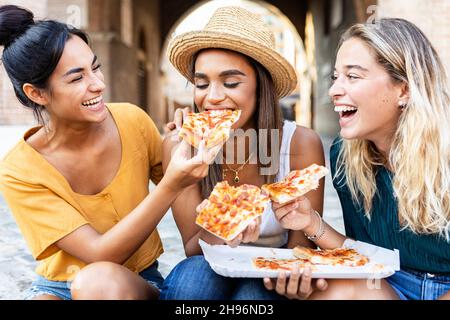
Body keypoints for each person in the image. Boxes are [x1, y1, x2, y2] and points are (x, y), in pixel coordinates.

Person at [0, 5, 221, 300]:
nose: (98, 84)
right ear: (36, 93)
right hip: (56, 286)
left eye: (96, 67)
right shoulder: (19, 169)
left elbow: (193, 212)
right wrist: (170, 185)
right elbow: (97, 252)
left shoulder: (132, 121)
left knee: (98, 283)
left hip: (130, 283)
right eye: (77, 78)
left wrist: (185, 141)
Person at [264, 18, 450, 300]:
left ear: (404, 89)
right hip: (386, 284)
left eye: (352, 76)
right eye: (335, 77)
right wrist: (311, 224)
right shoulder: (345, 155)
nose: (334, 90)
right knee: (323, 291)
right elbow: (367, 256)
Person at [159, 6, 326, 300]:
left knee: (253, 297)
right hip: (208, 263)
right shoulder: (180, 146)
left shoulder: (301, 144)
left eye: (231, 82)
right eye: (201, 83)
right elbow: (192, 249)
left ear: (262, 86)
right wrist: (223, 227)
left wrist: (295, 274)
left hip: (273, 270)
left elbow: (301, 246)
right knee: (191, 281)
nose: (212, 97)